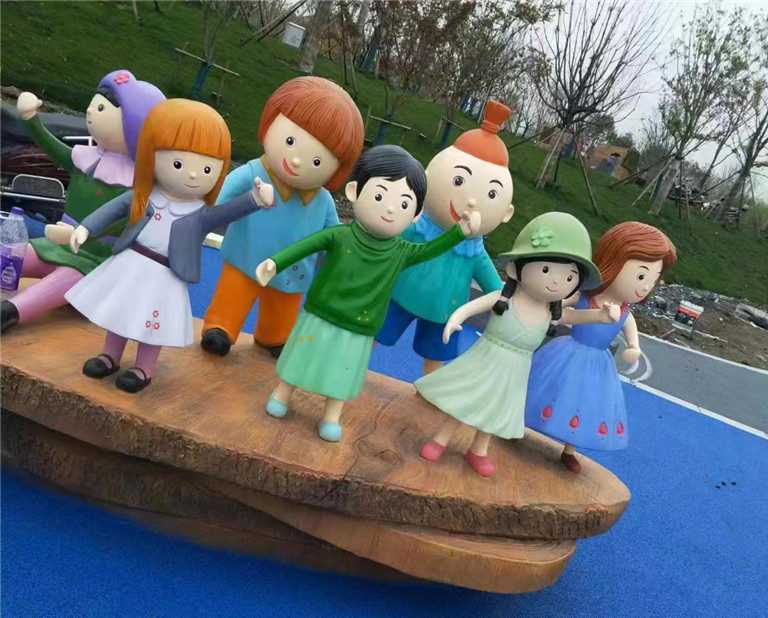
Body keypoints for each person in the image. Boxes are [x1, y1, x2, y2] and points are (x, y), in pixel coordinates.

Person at [255, 145, 481, 442]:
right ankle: (282, 393)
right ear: (354, 191)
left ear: (415, 215)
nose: (390, 209)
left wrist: (459, 232)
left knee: (343, 370)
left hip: (361, 326)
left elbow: (431, 249)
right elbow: (307, 245)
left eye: (403, 204)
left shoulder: (402, 251)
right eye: (379, 196)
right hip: (321, 312)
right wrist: (275, 262)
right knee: (302, 355)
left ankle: (331, 414)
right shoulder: (340, 235)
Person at [64, 99, 275, 393]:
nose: (192, 175)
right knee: (120, 310)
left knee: (154, 323)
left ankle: (144, 368)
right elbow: (113, 209)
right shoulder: (145, 195)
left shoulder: (200, 213)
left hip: (166, 275)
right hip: (130, 263)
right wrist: (85, 228)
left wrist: (255, 199)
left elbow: (227, 213)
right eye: (178, 163)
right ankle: (110, 355)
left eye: (206, 168)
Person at [415, 212, 618, 478]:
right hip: (487, 359)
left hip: (516, 369)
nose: (556, 281)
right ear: (515, 268)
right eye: (545, 270)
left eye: (569, 278)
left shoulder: (552, 312)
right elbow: (472, 306)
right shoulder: (504, 298)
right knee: (468, 399)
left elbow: (577, 317)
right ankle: (441, 439)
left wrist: (602, 316)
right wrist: (455, 319)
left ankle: (479, 450)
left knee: (496, 409)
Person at [200, 77, 364, 358]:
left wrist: (341, 262)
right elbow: (219, 198)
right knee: (233, 293)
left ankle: (274, 336)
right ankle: (220, 327)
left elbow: (334, 238)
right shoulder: (253, 173)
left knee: (283, 306)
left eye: (316, 161)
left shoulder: (322, 200)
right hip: (246, 256)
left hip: (291, 269)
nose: (297, 160)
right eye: (290, 141)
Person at [1, 70, 165, 333]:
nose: (90, 111)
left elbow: (122, 219)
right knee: (17, 254)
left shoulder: (137, 183)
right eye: (94, 104)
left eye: (101, 108)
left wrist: (81, 234)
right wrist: (32, 119)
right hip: (59, 244)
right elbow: (53, 149)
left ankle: (10, 312)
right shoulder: (88, 158)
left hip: (96, 260)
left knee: (66, 278)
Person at [375, 100, 515, 374]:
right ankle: (349, 370)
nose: (471, 201)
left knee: (435, 356)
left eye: (490, 194)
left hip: (444, 311)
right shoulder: (418, 228)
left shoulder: (474, 252)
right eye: (459, 181)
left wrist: (509, 306)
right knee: (373, 332)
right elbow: (384, 239)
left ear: (506, 213)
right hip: (399, 293)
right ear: (429, 177)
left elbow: (494, 289)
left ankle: (428, 392)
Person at [526, 221, 677, 473]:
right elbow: (559, 303)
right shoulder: (585, 297)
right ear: (612, 263)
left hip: (598, 363)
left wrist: (633, 347)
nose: (645, 286)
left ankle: (570, 449)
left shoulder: (625, 313)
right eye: (641, 276)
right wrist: (547, 309)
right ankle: (518, 425)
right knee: (544, 388)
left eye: (652, 280)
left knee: (585, 403)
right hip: (568, 351)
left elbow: (632, 338)